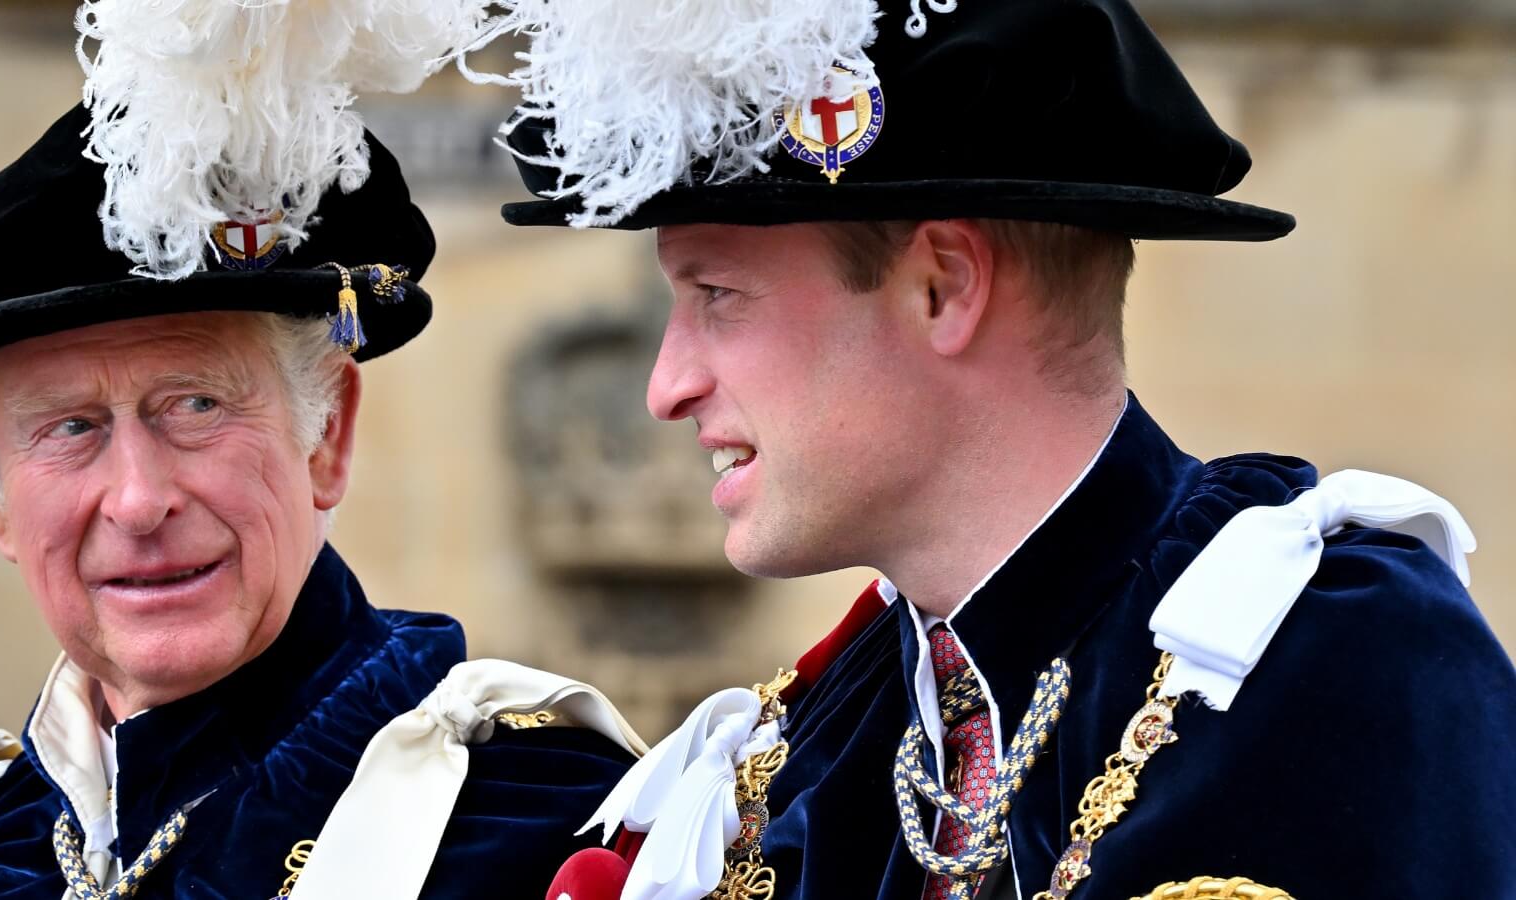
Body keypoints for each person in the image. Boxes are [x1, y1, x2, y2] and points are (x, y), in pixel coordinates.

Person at [458, 0, 1516, 897]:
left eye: (719, 298)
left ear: (942, 288)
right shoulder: (807, 763)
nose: (666, 385)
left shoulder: (1342, 668)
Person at [0, 2, 645, 898]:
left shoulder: (540, 821)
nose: (137, 498)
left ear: (327, 437)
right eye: (70, 428)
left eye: (194, 405)